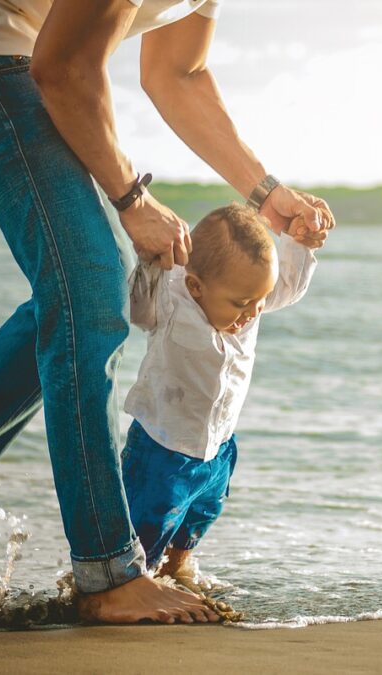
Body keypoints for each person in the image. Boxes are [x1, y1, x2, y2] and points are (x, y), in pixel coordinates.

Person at [0, 0, 334, 625]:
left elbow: (179, 73)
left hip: (22, 52)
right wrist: (132, 198)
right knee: (89, 289)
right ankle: (107, 573)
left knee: (86, 294)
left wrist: (266, 194)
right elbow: (63, 68)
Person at [120, 203, 320, 589]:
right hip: (162, 447)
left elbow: (289, 285)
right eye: (242, 304)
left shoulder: (249, 294)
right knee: (147, 525)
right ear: (196, 286)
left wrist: (299, 242)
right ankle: (133, 585)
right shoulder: (171, 298)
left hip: (220, 445)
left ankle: (177, 571)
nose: (253, 312)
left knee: (200, 515)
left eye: (260, 300)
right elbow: (134, 306)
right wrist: (148, 259)